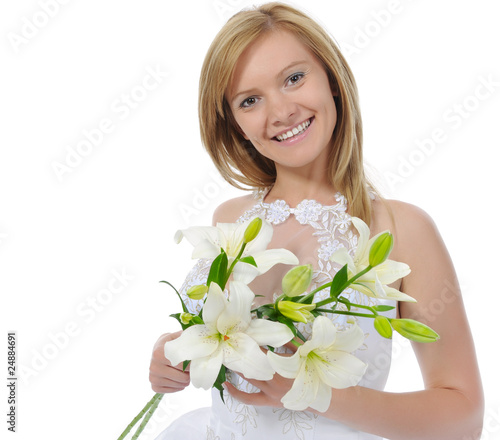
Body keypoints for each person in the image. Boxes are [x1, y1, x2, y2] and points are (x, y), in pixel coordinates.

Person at [149, 2, 484, 439]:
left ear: (332, 79)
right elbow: (215, 346)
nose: (281, 111)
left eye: (293, 78)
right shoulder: (231, 221)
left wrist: (320, 393)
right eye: (250, 100)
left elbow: (464, 417)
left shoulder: (401, 230)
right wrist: (170, 353)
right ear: (234, 124)